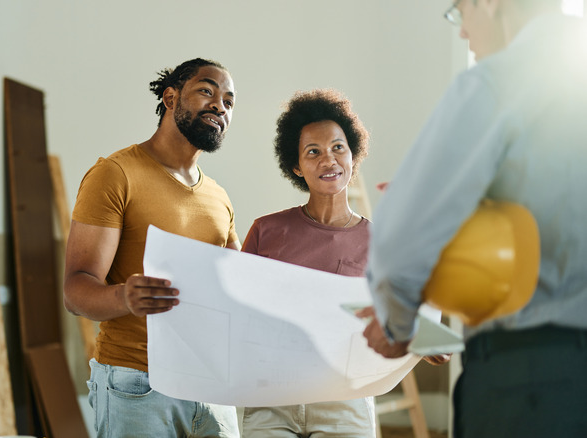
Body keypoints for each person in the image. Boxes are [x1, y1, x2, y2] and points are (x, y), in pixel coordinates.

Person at [362, 1, 587, 437]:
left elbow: (399, 239)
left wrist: (396, 322)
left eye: (459, 10)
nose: (463, 31)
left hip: (531, 381)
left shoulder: (497, 83)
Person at [241, 89, 446, 437]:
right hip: (272, 398)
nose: (329, 160)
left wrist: (426, 343)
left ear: (353, 155)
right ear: (296, 166)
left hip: (345, 402)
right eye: (313, 152)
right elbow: (239, 310)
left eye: (338, 147)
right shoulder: (267, 230)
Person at [62, 58, 241, 438]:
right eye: (207, 90)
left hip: (209, 382)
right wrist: (125, 297)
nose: (219, 106)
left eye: (229, 101)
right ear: (171, 97)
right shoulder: (115, 175)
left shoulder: (219, 197)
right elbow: (76, 291)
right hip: (137, 383)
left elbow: (235, 285)